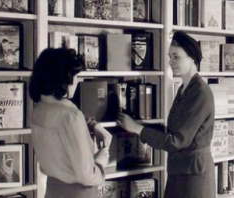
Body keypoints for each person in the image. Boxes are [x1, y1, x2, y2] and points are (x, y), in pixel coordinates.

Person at [117, 31, 216, 198]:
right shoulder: (184, 89)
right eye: (170, 57)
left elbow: (176, 141)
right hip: (179, 171)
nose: (171, 62)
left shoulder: (201, 93)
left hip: (194, 176)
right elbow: (173, 131)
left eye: (176, 57)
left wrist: (138, 129)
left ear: (192, 57)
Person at [29, 48, 112, 198]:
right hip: (79, 193)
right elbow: (87, 176)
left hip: (53, 190)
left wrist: (92, 125)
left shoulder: (39, 108)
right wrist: (100, 162)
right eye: (76, 76)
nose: (78, 80)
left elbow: (59, 127)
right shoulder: (70, 116)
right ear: (63, 78)